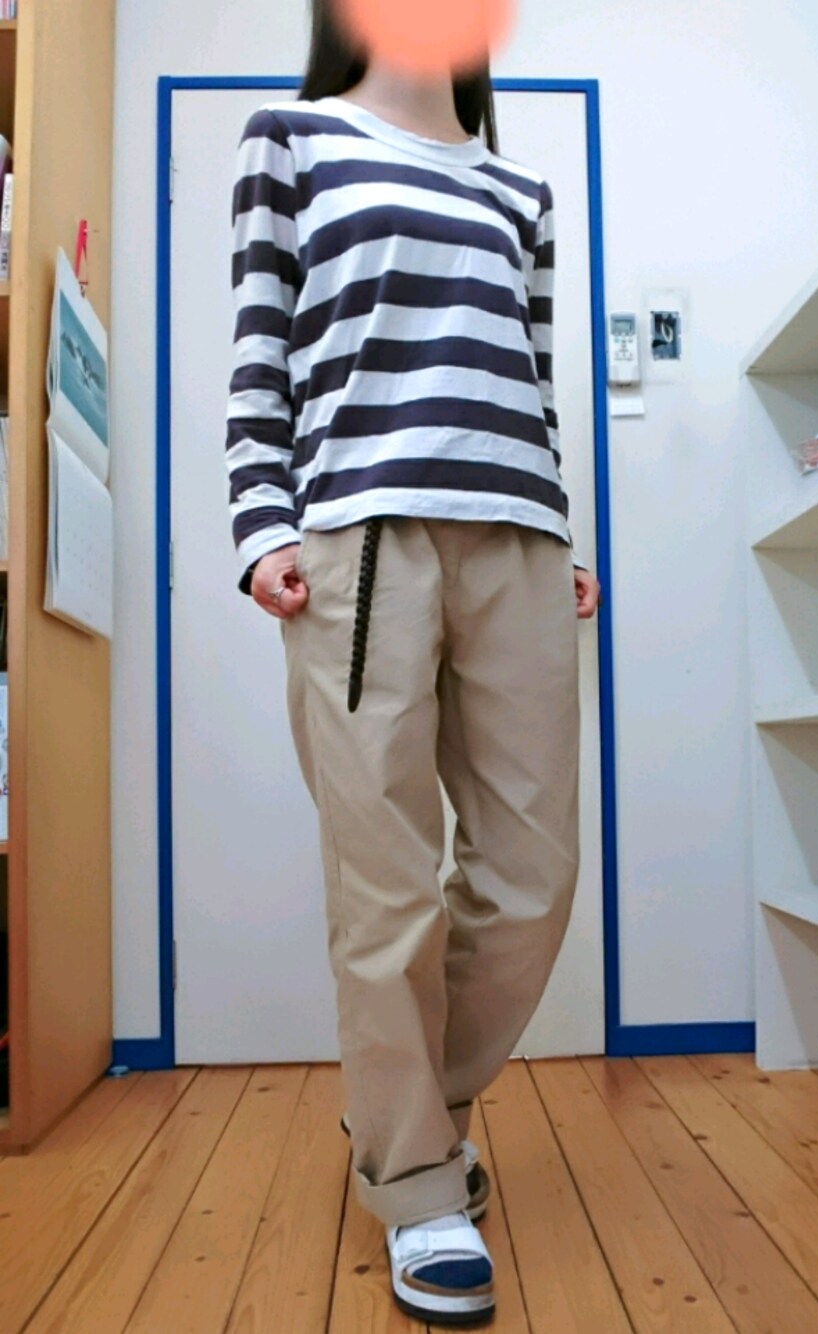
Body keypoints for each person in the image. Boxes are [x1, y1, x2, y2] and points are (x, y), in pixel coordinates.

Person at [225, 1, 599, 1323]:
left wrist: (560, 532)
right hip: (361, 537)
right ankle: (420, 1185)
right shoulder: (291, 141)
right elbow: (260, 358)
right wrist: (261, 525)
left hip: (519, 539)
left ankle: (408, 1111)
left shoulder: (522, 192)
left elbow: (530, 386)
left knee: (535, 873)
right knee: (385, 883)